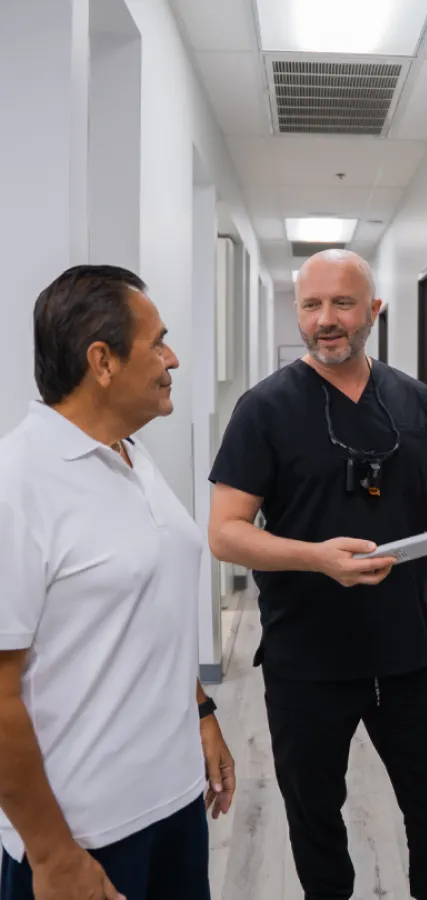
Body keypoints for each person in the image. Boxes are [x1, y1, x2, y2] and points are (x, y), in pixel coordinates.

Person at [208, 249, 427, 900]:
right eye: (310, 305)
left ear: (374, 311)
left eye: (341, 304)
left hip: (406, 655)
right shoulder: (265, 408)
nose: (325, 320)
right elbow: (226, 533)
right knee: (316, 824)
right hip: (307, 660)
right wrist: (316, 557)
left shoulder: (413, 399)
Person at [0, 266, 235, 900]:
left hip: (175, 802)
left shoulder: (131, 454)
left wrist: (201, 712)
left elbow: (144, 612)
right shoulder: (16, 484)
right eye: (158, 342)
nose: (173, 358)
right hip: (85, 836)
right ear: (102, 361)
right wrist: (52, 857)